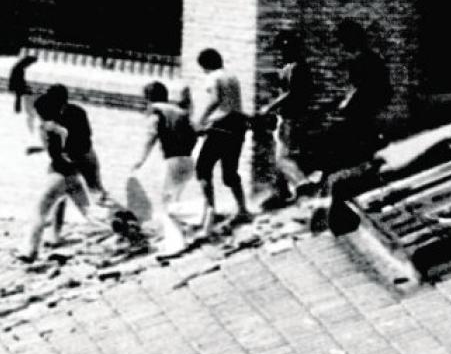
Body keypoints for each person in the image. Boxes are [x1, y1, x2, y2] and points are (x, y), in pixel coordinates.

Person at [19, 95, 93, 263]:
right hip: (72, 174)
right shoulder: (64, 124)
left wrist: (60, 155)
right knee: (89, 212)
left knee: (39, 212)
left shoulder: (47, 127)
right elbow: (61, 145)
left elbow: (57, 146)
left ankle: (29, 251)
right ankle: (123, 230)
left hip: (58, 174)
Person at [131, 82, 198, 256]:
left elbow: (150, 137)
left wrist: (140, 160)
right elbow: (193, 135)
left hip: (172, 161)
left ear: (148, 98)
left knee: (167, 205)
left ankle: (201, 214)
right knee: (171, 200)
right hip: (188, 160)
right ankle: (177, 240)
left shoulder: (156, 112)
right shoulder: (180, 112)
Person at [191, 48, 249, 228]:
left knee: (203, 168)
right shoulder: (231, 76)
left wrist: (200, 120)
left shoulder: (213, 77)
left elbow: (215, 100)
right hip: (238, 124)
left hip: (222, 125)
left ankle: (211, 211)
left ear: (205, 65)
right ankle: (242, 209)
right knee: (230, 172)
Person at [256, 31, 314, 209]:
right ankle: (281, 192)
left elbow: (291, 93)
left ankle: (304, 187)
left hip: (292, 117)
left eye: (284, 49)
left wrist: (269, 107)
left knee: (283, 158)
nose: (281, 53)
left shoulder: (298, 68)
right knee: (277, 155)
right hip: (286, 116)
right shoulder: (289, 67)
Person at [36, 84, 112, 210]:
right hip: (84, 154)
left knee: (94, 190)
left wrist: (67, 152)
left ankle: (112, 215)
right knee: (92, 189)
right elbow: (86, 134)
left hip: (81, 155)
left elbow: (81, 137)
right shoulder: (75, 111)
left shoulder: (66, 114)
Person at [333, 20, 391, 168]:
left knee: (358, 134)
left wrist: (345, 103)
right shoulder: (372, 56)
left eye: (343, 40)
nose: (342, 45)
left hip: (365, 104)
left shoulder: (359, 59)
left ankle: (369, 165)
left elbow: (357, 86)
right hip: (372, 102)